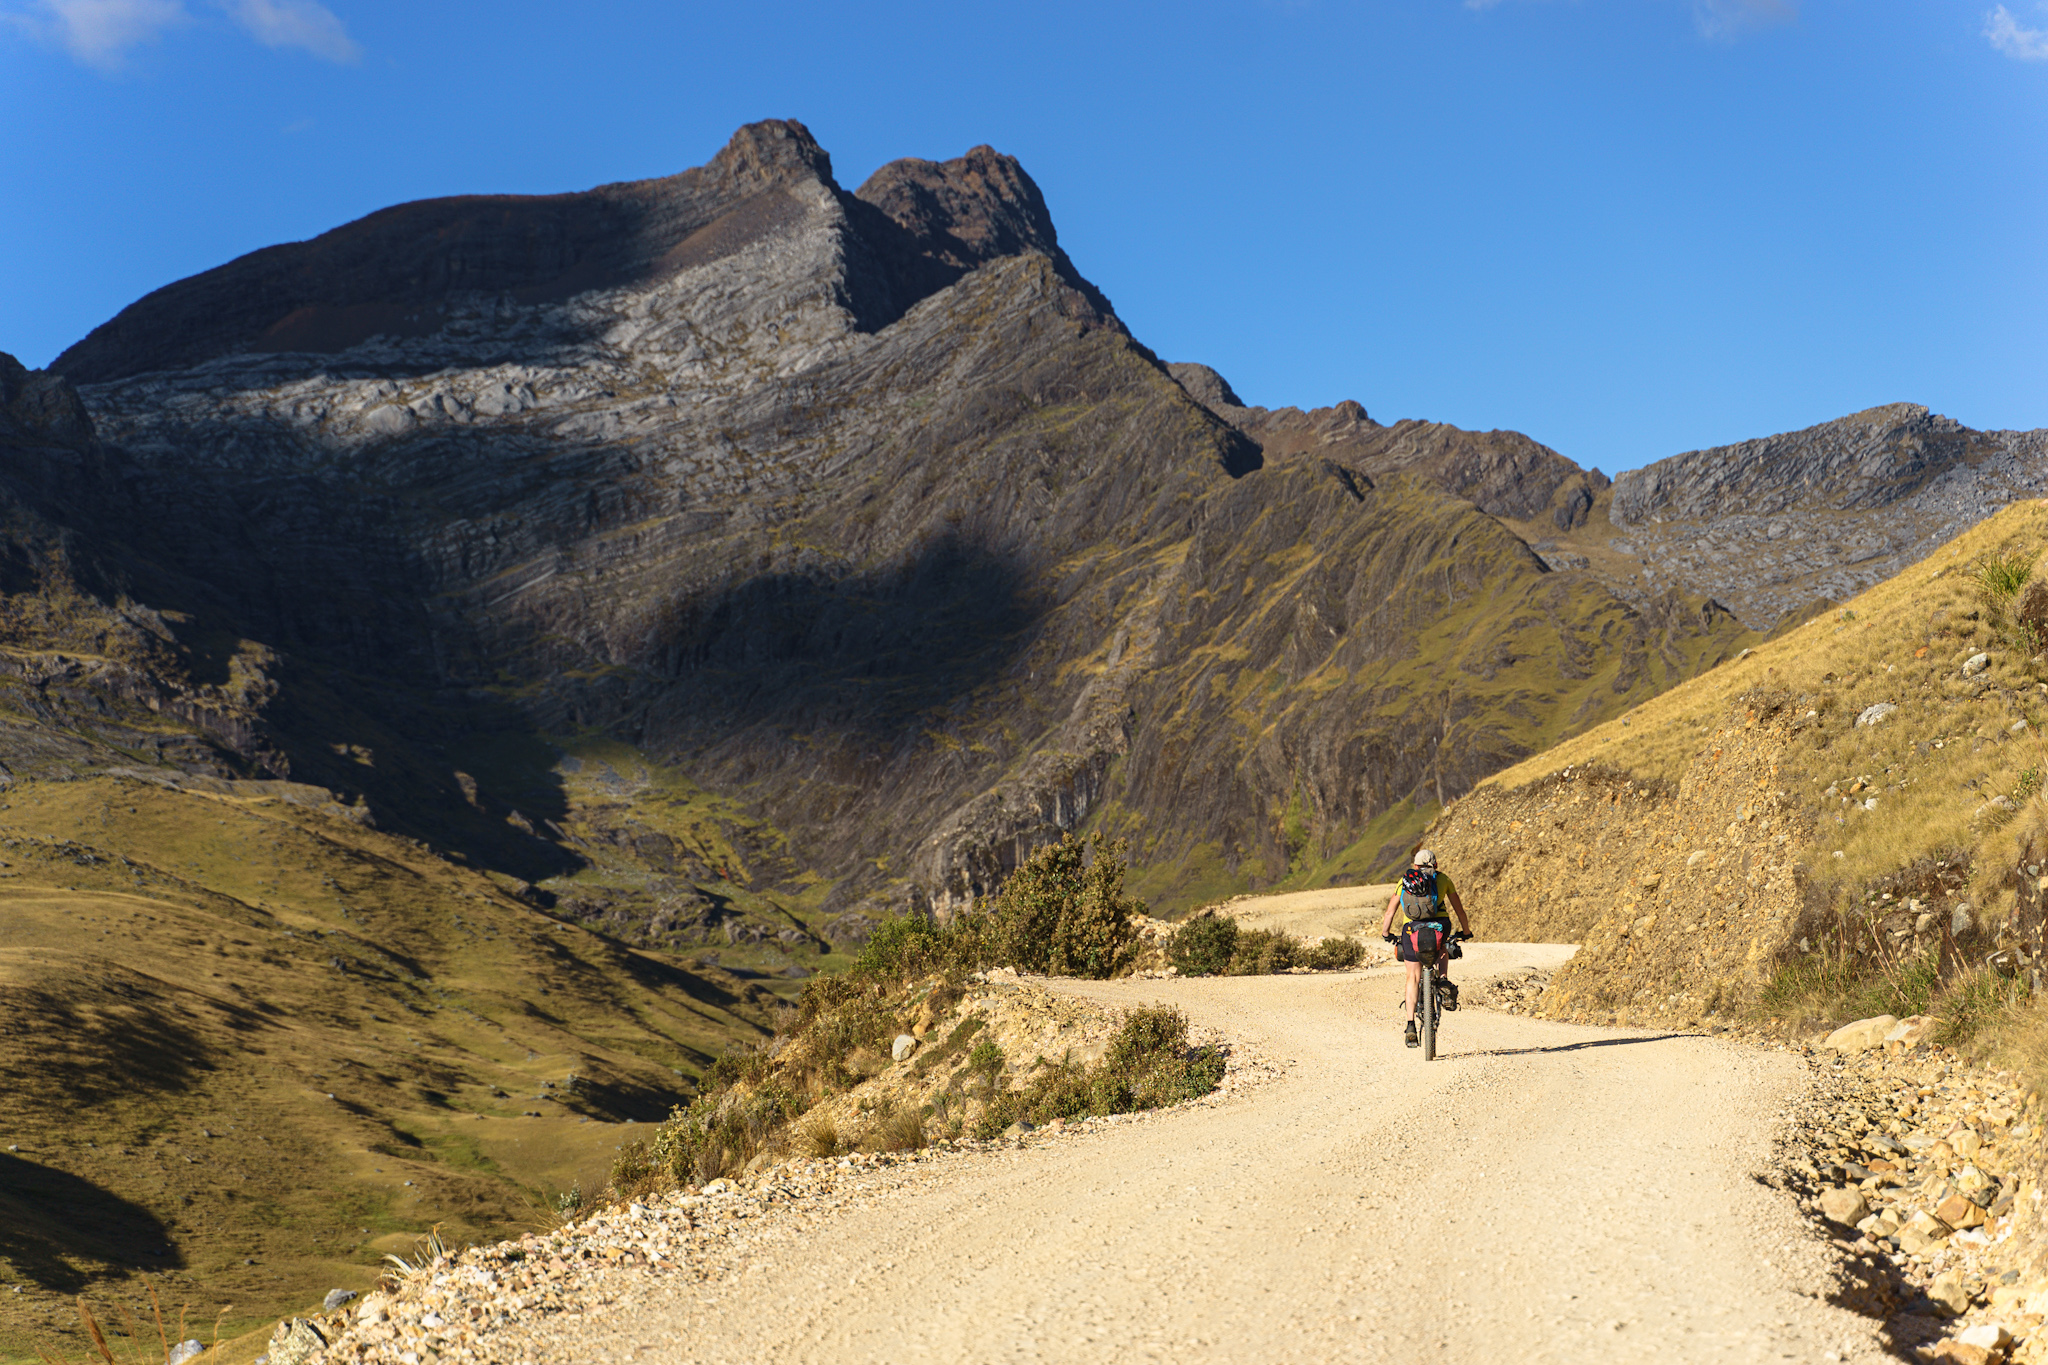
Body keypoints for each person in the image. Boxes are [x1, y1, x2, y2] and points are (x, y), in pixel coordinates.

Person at [1378, 848, 1473, 1048]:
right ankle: (1444, 980)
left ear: (1415, 866)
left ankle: (1411, 1024)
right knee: (1444, 946)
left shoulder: (1405, 880)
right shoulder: (1444, 879)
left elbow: (1390, 912)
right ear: (1435, 865)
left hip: (1412, 929)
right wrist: (1466, 931)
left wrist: (1386, 934)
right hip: (1440, 926)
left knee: (1412, 977)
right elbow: (1459, 909)